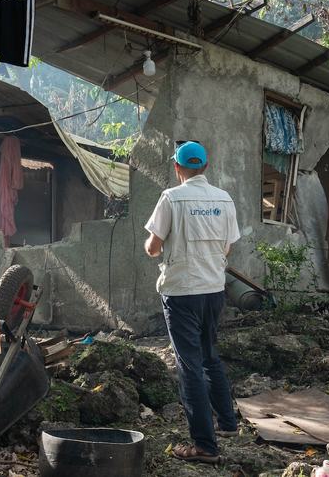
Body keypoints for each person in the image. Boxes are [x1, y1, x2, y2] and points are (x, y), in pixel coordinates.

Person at [143, 140, 240, 464]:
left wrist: (154, 245)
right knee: (210, 356)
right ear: (206, 167)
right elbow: (228, 248)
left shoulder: (172, 198)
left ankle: (205, 446)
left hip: (182, 291)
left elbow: (153, 248)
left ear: (177, 167)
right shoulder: (224, 199)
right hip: (214, 289)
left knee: (189, 366)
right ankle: (228, 423)